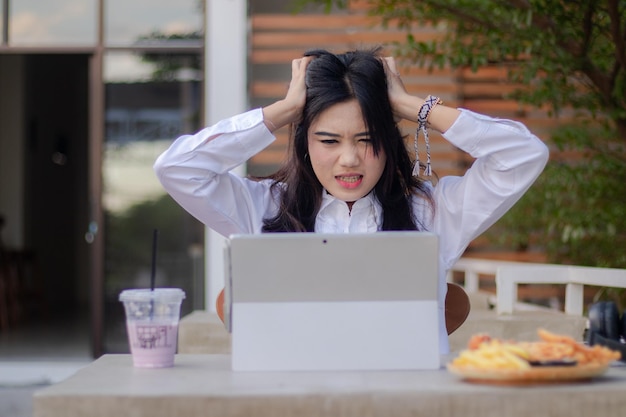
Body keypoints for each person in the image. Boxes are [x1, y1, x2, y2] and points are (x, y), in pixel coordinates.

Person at [154, 48, 549, 354]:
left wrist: (416, 107)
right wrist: (283, 111)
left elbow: (523, 154)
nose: (349, 159)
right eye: (328, 140)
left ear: (389, 142)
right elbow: (176, 168)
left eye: (367, 139)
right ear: (304, 143)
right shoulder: (263, 208)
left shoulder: (433, 211)